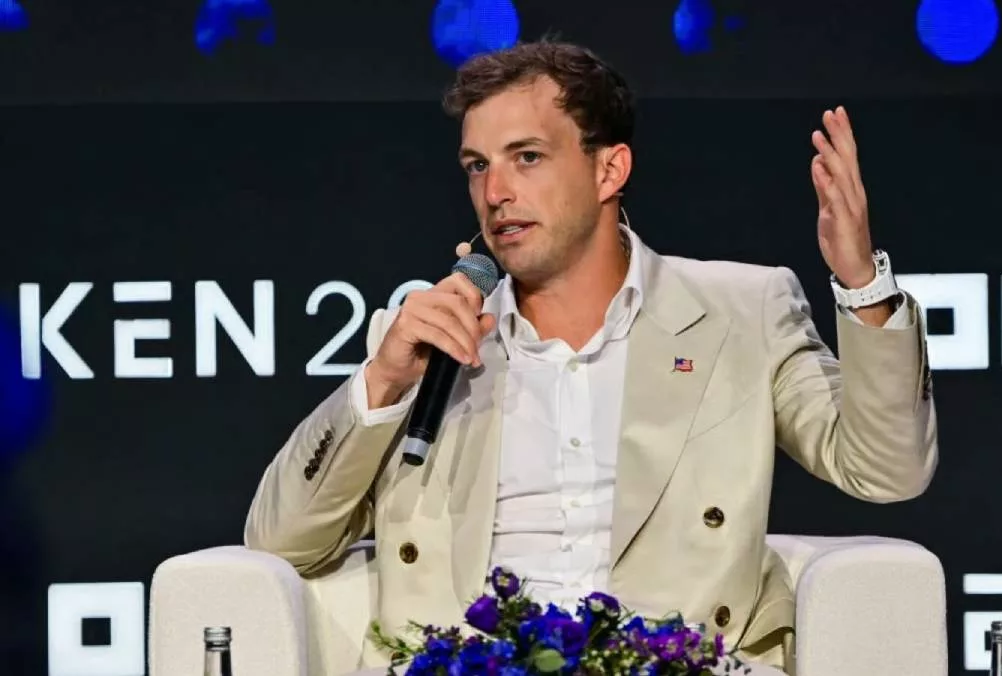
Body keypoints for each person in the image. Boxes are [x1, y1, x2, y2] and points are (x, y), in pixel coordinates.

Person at [244, 40, 938, 676]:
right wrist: (384, 381)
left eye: (527, 157)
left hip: (671, 662)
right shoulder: (432, 342)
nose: (495, 193)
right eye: (477, 166)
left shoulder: (740, 312)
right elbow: (280, 544)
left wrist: (862, 284)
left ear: (610, 169)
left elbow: (886, 469)